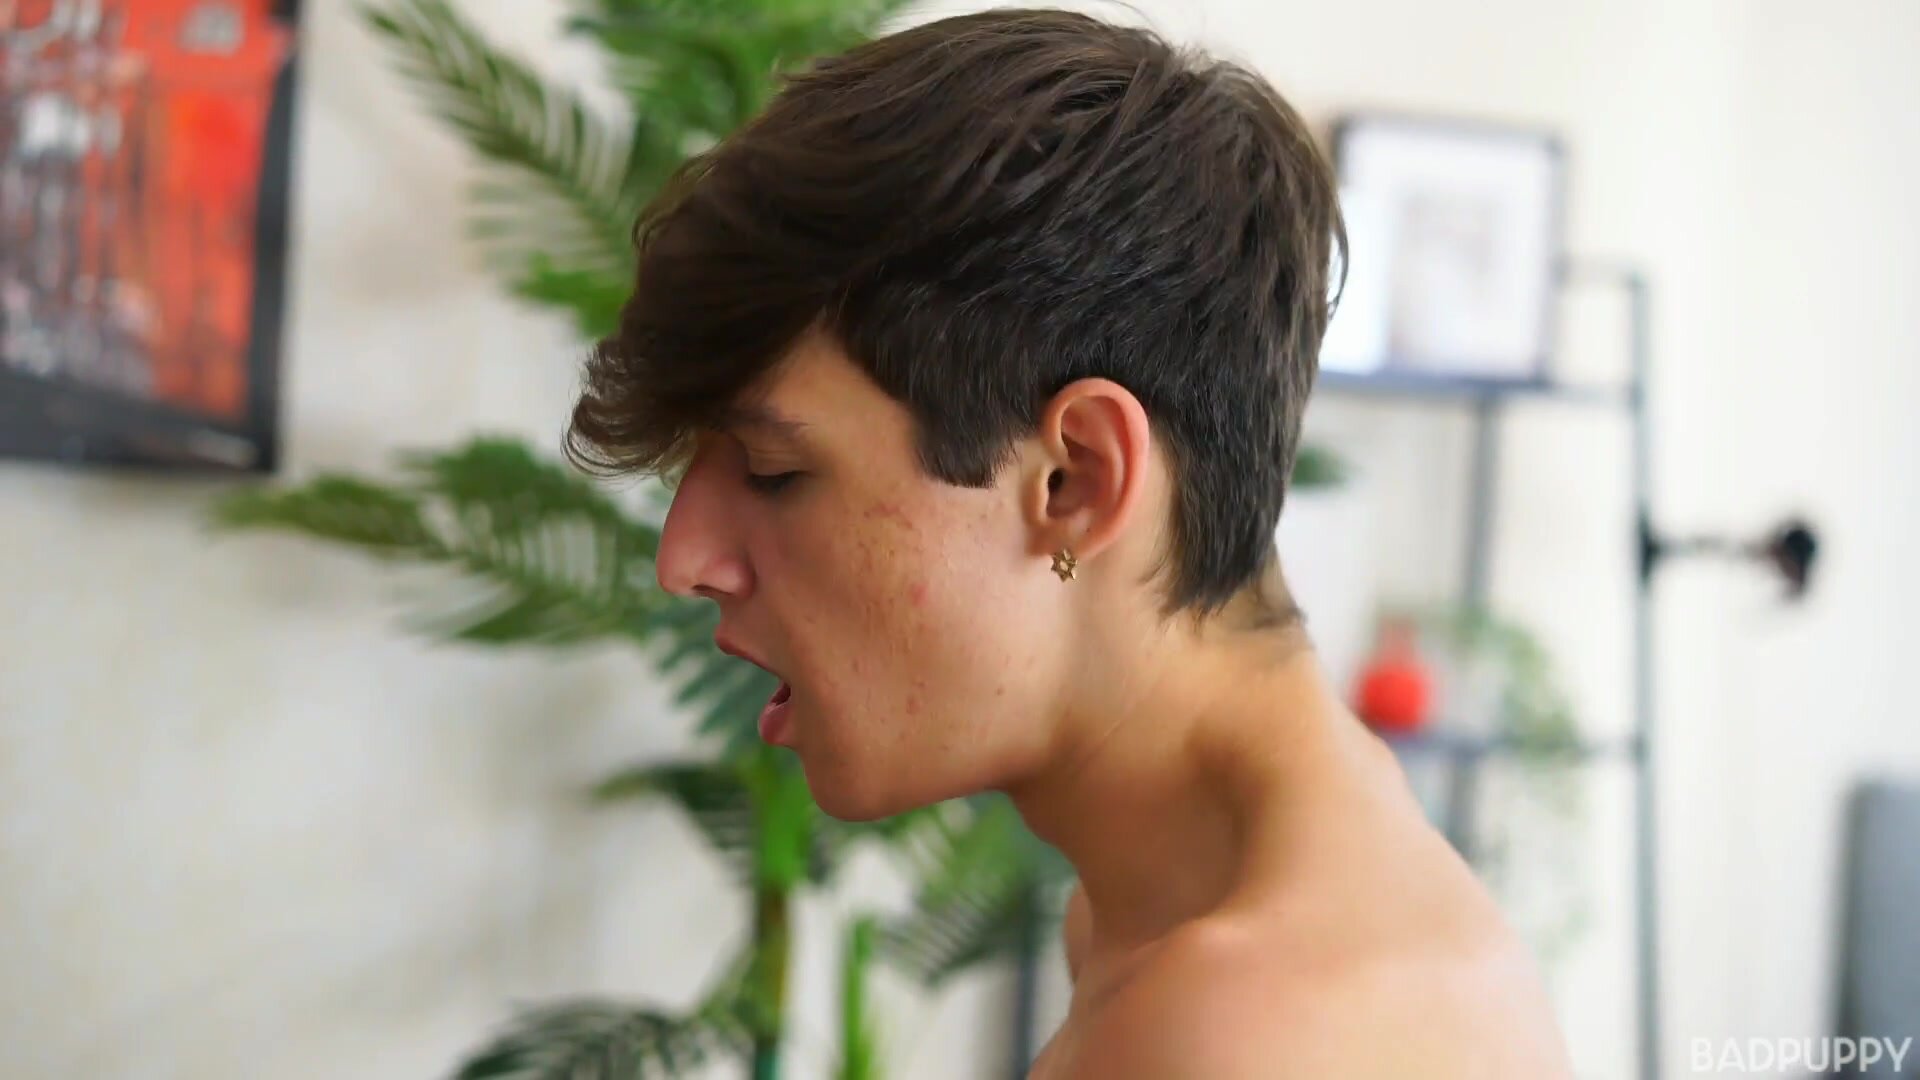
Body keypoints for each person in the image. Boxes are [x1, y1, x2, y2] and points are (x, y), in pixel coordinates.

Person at [566, 8, 1573, 1077]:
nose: (685, 559)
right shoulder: (1180, 910)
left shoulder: (1250, 1034)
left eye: (775, 471)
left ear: (1076, 478)